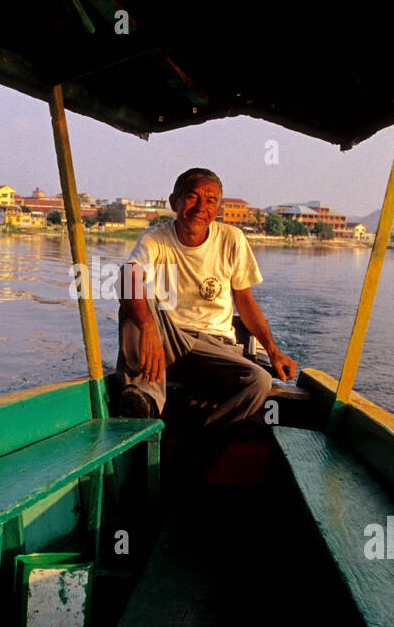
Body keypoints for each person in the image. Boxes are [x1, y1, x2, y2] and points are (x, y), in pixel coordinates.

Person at [114, 168, 297, 431]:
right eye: (192, 197)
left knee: (258, 380)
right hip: (170, 342)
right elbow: (126, 278)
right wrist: (149, 327)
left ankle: (199, 438)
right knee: (134, 296)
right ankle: (145, 400)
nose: (201, 207)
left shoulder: (232, 239)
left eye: (210, 201)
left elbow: (245, 302)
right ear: (173, 201)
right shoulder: (155, 238)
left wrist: (273, 351)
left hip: (216, 347)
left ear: (219, 207)